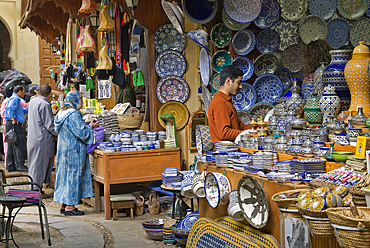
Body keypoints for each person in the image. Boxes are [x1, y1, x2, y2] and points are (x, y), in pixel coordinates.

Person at [53, 91, 98, 216]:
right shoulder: (73, 114)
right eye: (81, 99)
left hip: (63, 150)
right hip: (74, 151)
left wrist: (85, 124)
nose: (82, 102)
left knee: (64, 176)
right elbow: (82, 133)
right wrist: (91, 127)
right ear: (75, 100)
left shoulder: (61, 113)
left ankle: (64, 203)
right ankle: (70, 206)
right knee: (73, 175)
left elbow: (73, 128)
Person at [208, 65, 252, 143]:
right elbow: (224, 133)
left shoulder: (226, 101)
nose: (241, 86)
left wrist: (259, 129)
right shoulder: (220, 103)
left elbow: (240, 126)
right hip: (225, 153)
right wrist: (247, 134)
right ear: (228, 81)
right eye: (238, 83)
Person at [27, 84, 57, 191]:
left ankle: (35, 187)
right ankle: (36, 190)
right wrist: (58, 132)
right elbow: (49, 125)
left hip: (32, 137)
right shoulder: (45, 104)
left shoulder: (33, 101)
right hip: (42, 139)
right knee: (40, 164)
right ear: (50, 94)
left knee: (34, 163)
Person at [4, 85, 28, 172]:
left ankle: (10, 166)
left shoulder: (13, 99)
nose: (24, 94)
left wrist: (30, 107)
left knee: (11, 145)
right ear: (20, 91)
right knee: (19, 145)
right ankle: (20, 166)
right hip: (15, 124)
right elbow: (10, 108)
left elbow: (22, 110)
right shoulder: (15, 99)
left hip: (11, 124)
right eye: (24, 92)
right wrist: (13, 118)